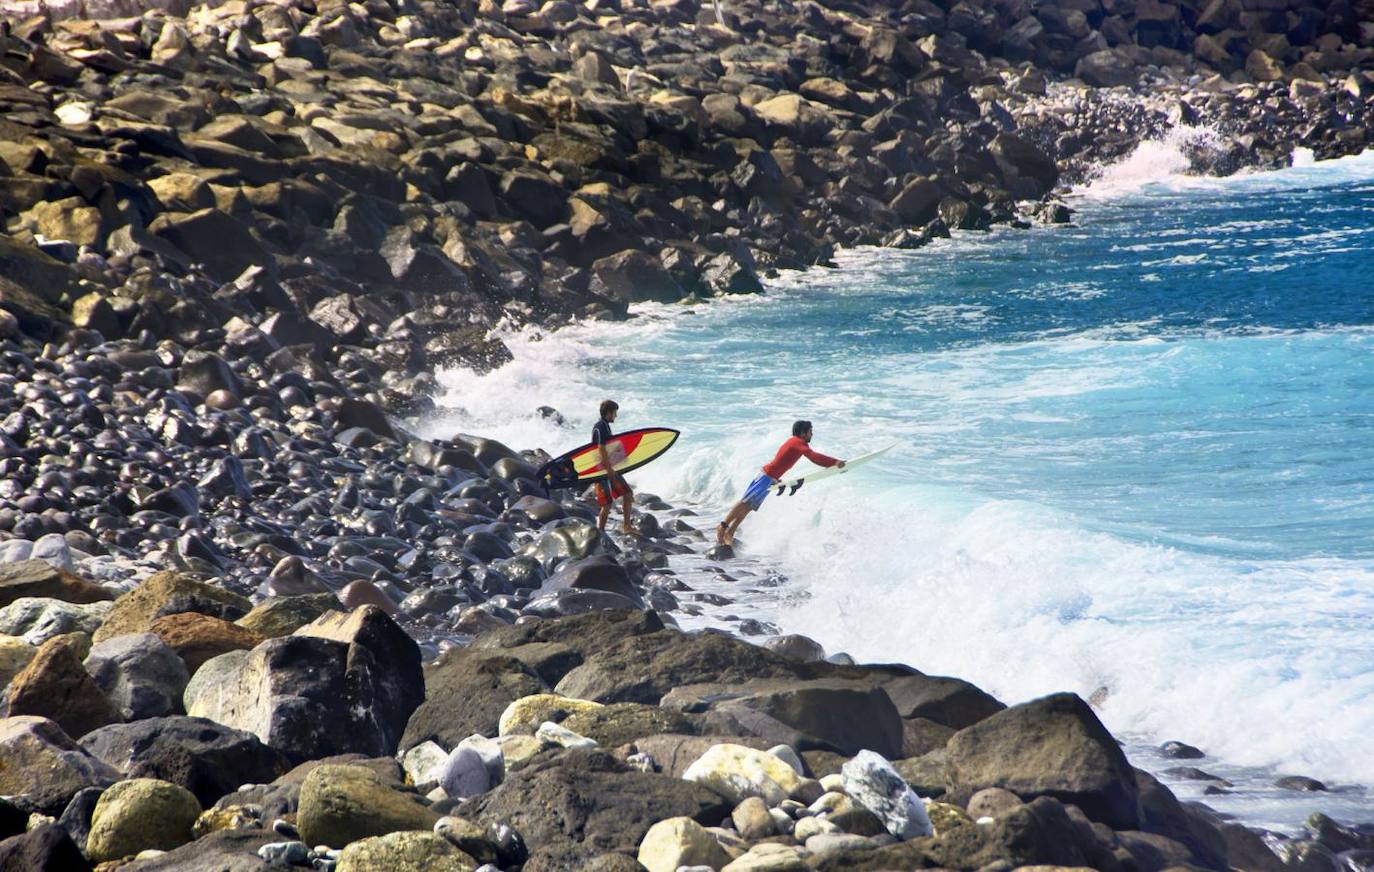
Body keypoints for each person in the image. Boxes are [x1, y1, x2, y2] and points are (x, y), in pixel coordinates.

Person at [717, 420, 844, 545]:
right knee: (744, 502)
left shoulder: (795, 443)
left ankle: (730, 532)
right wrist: (834, 462)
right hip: (765, 476)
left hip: (770, 478)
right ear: (803, 433)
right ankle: (723, 527)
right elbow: (814, 457)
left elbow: (782, 460)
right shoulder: (798, 442)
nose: (812, 434)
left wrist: (775, 478)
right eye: (810, 431)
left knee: (749, 506)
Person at [592, 399, 635, 535]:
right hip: (602, 470)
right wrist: (609, 470)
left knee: (627, 494)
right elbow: (600, 448)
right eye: (615, 413)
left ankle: (626, 527)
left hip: (609, 468)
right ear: (609, 413)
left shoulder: (605, 425)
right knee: (606, 504)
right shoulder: (600, 426)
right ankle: (601, 532)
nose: (616, 416)